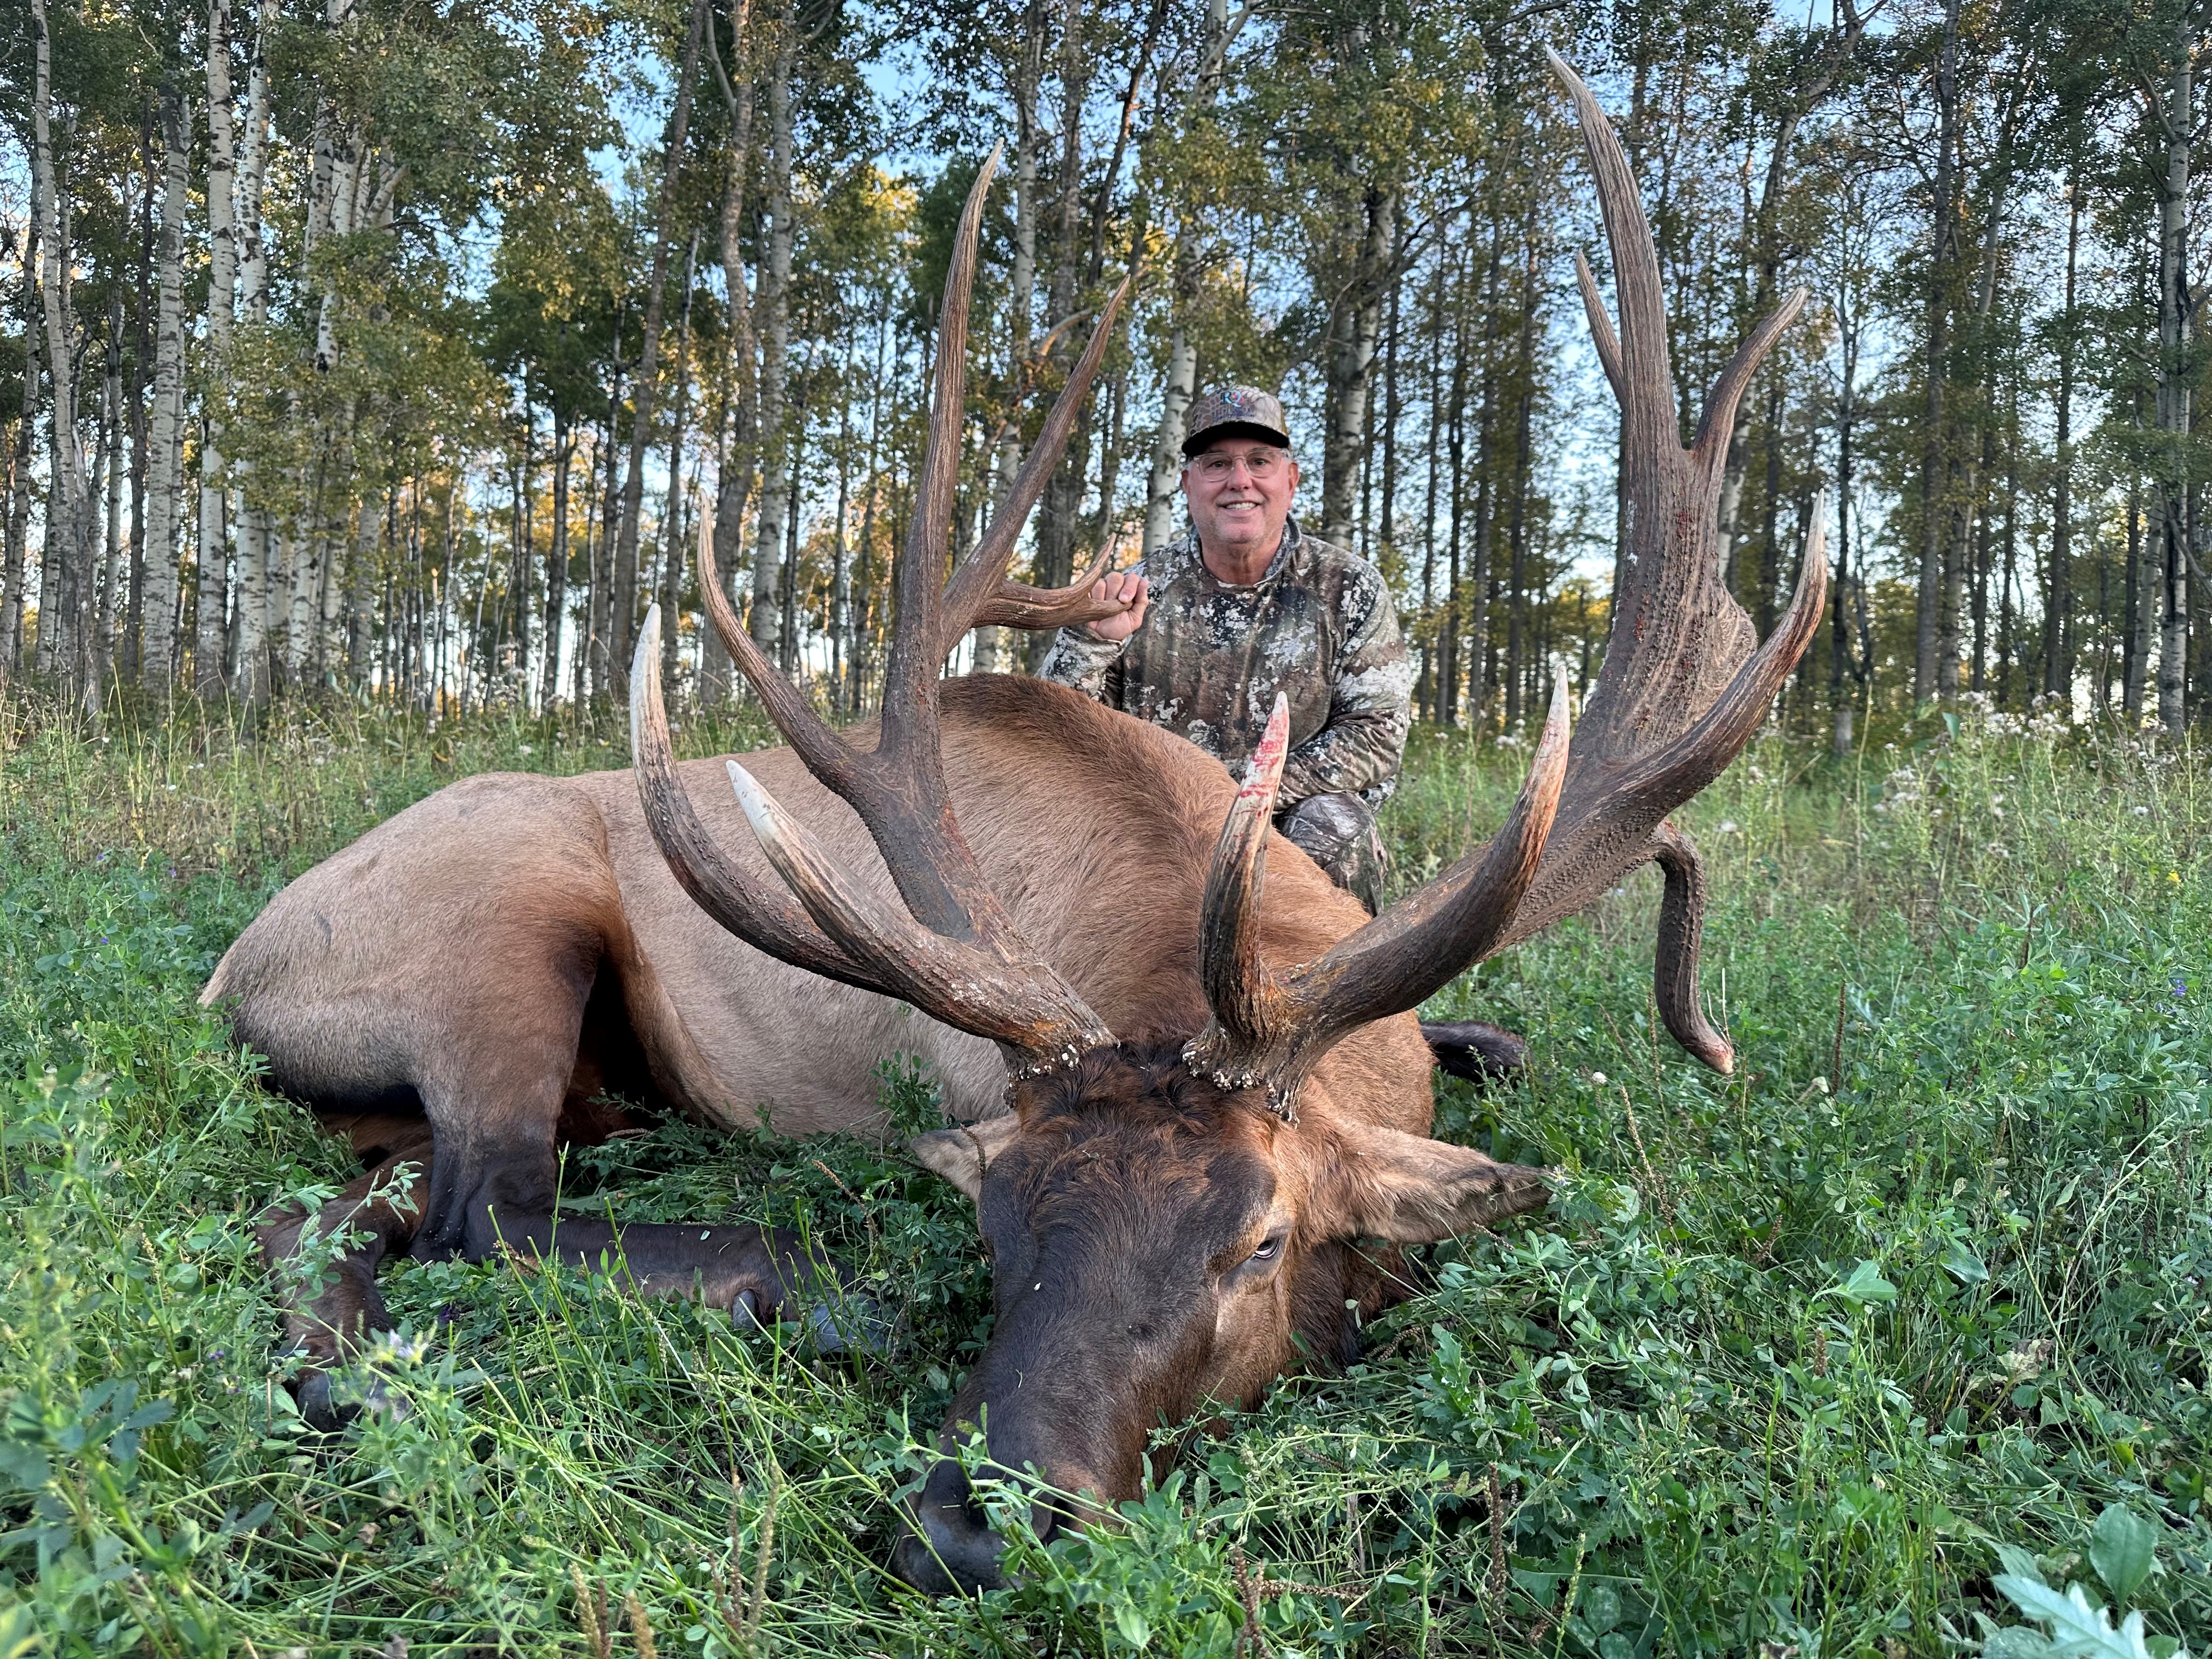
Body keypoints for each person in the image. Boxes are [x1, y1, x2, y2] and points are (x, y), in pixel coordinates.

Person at [1041, 387, 1411, 912]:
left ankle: (1350, 991)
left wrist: (1243, 799)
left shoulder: (1348, 587)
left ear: (1291, 479)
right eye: (1217, 464)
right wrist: (1089, 645)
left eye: (1259, 461)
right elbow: (1059, 733)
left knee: (1338, 828)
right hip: (1157, 823)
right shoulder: (1136, 590)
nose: (1240, 481)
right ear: (1189, 484)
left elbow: (1377, 735)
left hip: (1286, 819)